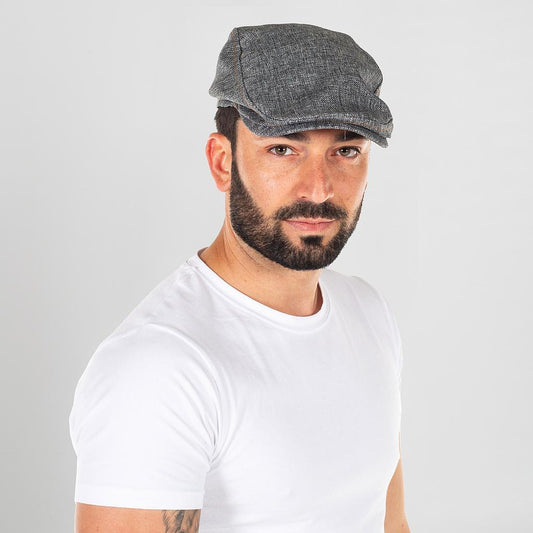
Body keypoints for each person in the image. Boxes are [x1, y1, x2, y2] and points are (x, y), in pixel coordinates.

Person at [69, 23, 410, 533]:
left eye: (346, 151)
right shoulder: (158, 368)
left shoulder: (367, 312)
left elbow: (389, 523)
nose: (319, 189)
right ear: (222, 162)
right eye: (283, 149)